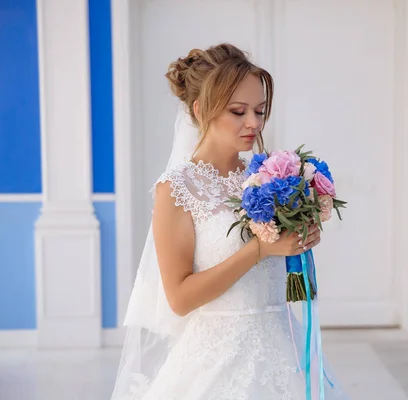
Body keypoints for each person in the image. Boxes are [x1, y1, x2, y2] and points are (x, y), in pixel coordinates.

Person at [110, 43, 349, 399]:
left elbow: (275, 265)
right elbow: (179, 298)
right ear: (201, 109)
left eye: (259, 110)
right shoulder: (176, 189)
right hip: (217, 359)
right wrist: (260, 249)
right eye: (238, 111)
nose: (253, 123)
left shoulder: (267, 175)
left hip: (283, 346)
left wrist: (298, 239)